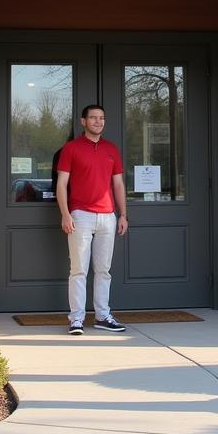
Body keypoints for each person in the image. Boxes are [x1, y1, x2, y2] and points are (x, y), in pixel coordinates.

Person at [56, 104, 129, 336]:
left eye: (102, 118)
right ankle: (76, 319)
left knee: (103, 270)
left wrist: (123, 215)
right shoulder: (71, 149)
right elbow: (61, 184)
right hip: (80, 216)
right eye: (93, 118)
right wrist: (65, 214)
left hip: (108, 216)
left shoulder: (112, 149)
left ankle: (102, 316)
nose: (98, 122)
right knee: (78, 270)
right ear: (83, 121)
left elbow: (118, 184)